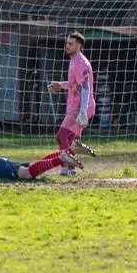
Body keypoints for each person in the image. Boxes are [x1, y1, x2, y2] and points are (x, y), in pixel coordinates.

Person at [48, 31, 97, 175]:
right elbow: (74, 84)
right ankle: (69, 170)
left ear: (80, 46)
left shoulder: (81, 63)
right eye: (67, 43)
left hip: (80, 107)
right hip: (79, 106)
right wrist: (60, 85)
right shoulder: (74, 60)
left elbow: (86, 88)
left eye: (71, 44)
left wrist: (82, 111)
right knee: (69, 139)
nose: (67, 46)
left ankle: (66, 169)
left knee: (62, 136)